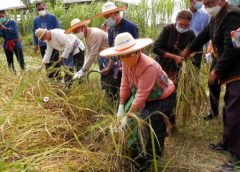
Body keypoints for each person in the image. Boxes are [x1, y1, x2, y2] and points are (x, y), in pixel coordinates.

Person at [100, 32, 176, 171]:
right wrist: (121, 106)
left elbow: (141, 96)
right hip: (148, 96)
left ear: (137, 51)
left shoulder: (149, 66)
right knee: (139, 122)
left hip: (163, 96)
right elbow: (124, 84)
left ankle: (153, 156)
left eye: (129, 54)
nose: (125, 58)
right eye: (122, 56)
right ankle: (138, 151)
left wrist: (128, 117)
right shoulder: (127, 63)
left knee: (150, 122)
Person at [180, 0, 240, 171]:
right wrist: (188, 50)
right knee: (229, 107)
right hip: (232, 72)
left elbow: (235, 47)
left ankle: (237, 157)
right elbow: (203, 36)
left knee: (235, 112)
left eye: (210, 2)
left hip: (237, 69)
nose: (206, 7)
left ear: (221, 0)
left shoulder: (233, 14)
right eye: (204, 3)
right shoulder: (216, 18)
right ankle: (227, 143)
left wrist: (217, 71)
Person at [152, 10, 195, 128]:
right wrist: (174, 57)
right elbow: (156, 48)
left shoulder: (191, 34)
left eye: (187, 25)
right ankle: (158, 119)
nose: (183, 27)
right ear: (176, 20)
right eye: (181, 25)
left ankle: (171, 122)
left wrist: (190, 56)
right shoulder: (167, 29)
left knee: (172, 94)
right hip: (161, 67)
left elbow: (195, 50)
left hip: (177, 70)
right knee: (159, 93)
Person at [95, 1, 139, 101]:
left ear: (115, 13)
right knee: (114, 92)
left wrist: (134, 69)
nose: (106, 20)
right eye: (105, 17)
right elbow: (112, 51)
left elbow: (137, 49)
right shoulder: (111, 29)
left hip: (128, 65)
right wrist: (109, 66)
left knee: (129, 93)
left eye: (107, 16)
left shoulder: (129, 27)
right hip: (116, 67)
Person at [65, 18, 114, 97]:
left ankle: (112, 98)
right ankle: (108, 96)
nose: (76, 33)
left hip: (110, 57)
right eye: (75, 32)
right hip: (102, 57)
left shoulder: (94, 33)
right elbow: (88, 52)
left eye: (77, 31)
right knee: (105, 81)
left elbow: (93, 54)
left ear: (83, 27)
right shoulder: (86, 36)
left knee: (110, 80)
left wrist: (84, 69)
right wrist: (83, 69)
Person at [33, 2, 60, 78]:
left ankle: (57, 76)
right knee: (46, 61)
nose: (41, 10)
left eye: (42, 8)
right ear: (37, 10)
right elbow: (35, 33)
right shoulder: (36, 20)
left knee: (55, 60)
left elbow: (58, 29)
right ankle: (50, 77)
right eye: (39, 9)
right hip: (42, 44)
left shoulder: (53, 17)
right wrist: (35, 44)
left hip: (53, 42)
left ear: (45, 7)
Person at [189, 0, 210, 69]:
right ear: (191, 1)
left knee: (195, 69)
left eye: (201, 0)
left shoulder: (205, 15)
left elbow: (206, 34)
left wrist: (208, 49)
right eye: (198, 0)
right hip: (185, 45)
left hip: (198, 47)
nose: (200, 2)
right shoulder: (183, 13)